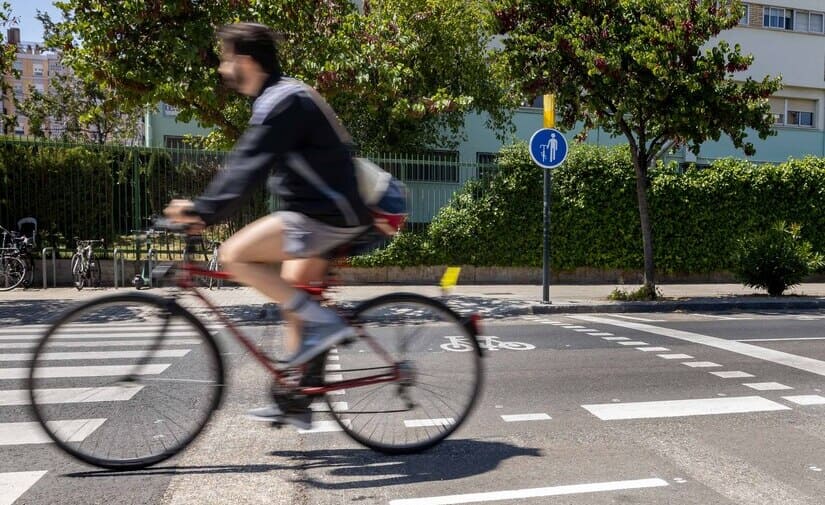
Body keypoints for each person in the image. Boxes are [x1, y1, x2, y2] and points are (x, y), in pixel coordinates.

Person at [164, 22, 373, 430]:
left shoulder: (282, 101)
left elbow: (246, 168)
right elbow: (249, 164)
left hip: (324, 215)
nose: (223, 70)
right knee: (297, 303)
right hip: (322, 213)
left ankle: (325, 325)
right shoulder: (280, 96)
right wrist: (206, 209)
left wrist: (202, 211)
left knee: (233, 255)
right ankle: (297, 399)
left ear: (245, 60)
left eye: (226, 59)